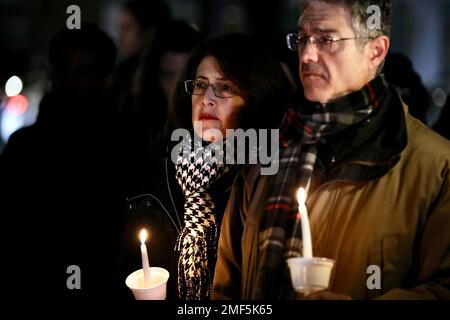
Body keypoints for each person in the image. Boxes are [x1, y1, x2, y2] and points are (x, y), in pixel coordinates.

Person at [213, 0, 450, 300]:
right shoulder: (267, 154)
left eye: (327, 39)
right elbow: (226, 288)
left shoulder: (435, 167)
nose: (307, 54)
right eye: (302, 39)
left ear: (376, 50)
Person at [116, 33, 293, 300]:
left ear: (256, 98)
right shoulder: (160, 172)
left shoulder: (269, 178)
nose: (206, 99)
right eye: (200, 85)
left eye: (224, 88)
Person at [0, 23, 124, 300]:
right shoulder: (24, 148)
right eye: (64, 70)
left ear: (104, 77)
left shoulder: (123, 146)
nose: (70, 82)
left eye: (83, 72)